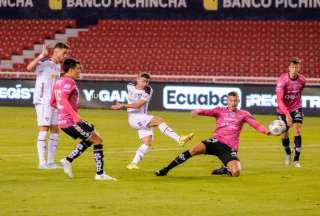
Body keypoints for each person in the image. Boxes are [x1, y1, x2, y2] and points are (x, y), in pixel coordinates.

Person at [155, 91, 270, 177]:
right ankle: (166, 169)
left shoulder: (243, 114)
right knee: (193, 150)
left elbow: (256, 124)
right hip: (216, 141)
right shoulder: (220, 110)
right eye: (231, 100)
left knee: (236, 173)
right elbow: (207, 112)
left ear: (238, 101)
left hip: (229, 147)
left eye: (235, 101)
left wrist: (266, 131)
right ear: (227, 101)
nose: (233, 103)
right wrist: (198, 111)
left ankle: (226, 169)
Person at [51, 58, 116, 181]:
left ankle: (68, 160)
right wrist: (73, 115)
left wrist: (63, 112)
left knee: (92, 138)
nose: (80, 71)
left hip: (62, 121)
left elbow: (53, 101)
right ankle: (99, 174)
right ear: (70, 70)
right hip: (71, 121)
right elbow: (63, 99)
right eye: (78, 69)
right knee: (97, 139)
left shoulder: (59, 82)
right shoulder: (69, 82)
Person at [111, 73, 194, 170]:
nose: (145, 83)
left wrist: (123, 105)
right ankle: (179, 139)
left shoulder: (148, 90)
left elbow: (138, 105)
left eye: (147, 82)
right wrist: (123, 105)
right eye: (143, 81)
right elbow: (135, 102)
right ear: (137, 79)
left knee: (147, 141)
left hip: (141, 117)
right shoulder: (130, 85)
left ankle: (133, 163)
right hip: (135, 118)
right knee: (159, 121)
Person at [27, 43, 69, 169]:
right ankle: (42, 162)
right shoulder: (45, 63)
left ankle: (50, 162)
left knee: (56, 130)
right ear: (56, 51)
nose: (65, 56)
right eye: (64, 53)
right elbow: (29, 68)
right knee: (44, 129)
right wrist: (41, 55)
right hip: (43, 101)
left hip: (54, 102)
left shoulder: (57, 66)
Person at [276, 57, 306, 168]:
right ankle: (288, 153)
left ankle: (296, 160)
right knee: (284, 135)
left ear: (299, 68)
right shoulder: (282, 80)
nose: (294, 69)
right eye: (292, 67)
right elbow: (279, 99)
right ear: (289, 68)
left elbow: (299, 93)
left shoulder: (303, 80)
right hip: (283, 110)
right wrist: (287, 114)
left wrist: (297, 108)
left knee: (297, 131)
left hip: (296, 107)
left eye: (296, 67)